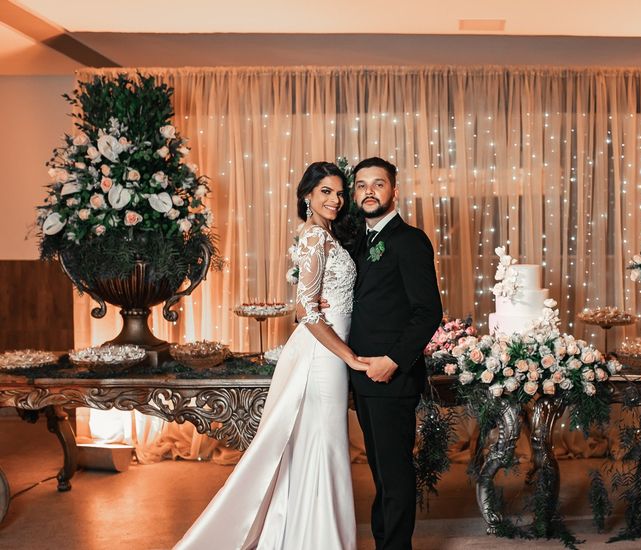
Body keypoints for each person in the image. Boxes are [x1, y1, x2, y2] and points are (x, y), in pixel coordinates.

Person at [175, 162, 366, 550]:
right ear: (307, 196)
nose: (335, 199)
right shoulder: (314, 236)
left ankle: (306, 535)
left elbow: (306, 305)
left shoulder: (327, 236)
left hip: (326, 350)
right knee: (323, 445)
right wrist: (351, 357)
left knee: (318, 445)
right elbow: (308, 311)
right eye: (325, 191)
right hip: (322, 355)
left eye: (339, 193)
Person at [347, 157, 443, 550]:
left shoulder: (410, 240)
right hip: (364, 377)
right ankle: (384, 542)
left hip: (391, 376)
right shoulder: (358, 242)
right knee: (381, 474)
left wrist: (394, 361)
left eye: (378, 183)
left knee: (395, 473)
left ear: (394, 192)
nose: (369, 190)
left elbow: (428, 311)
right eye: (362, 185)